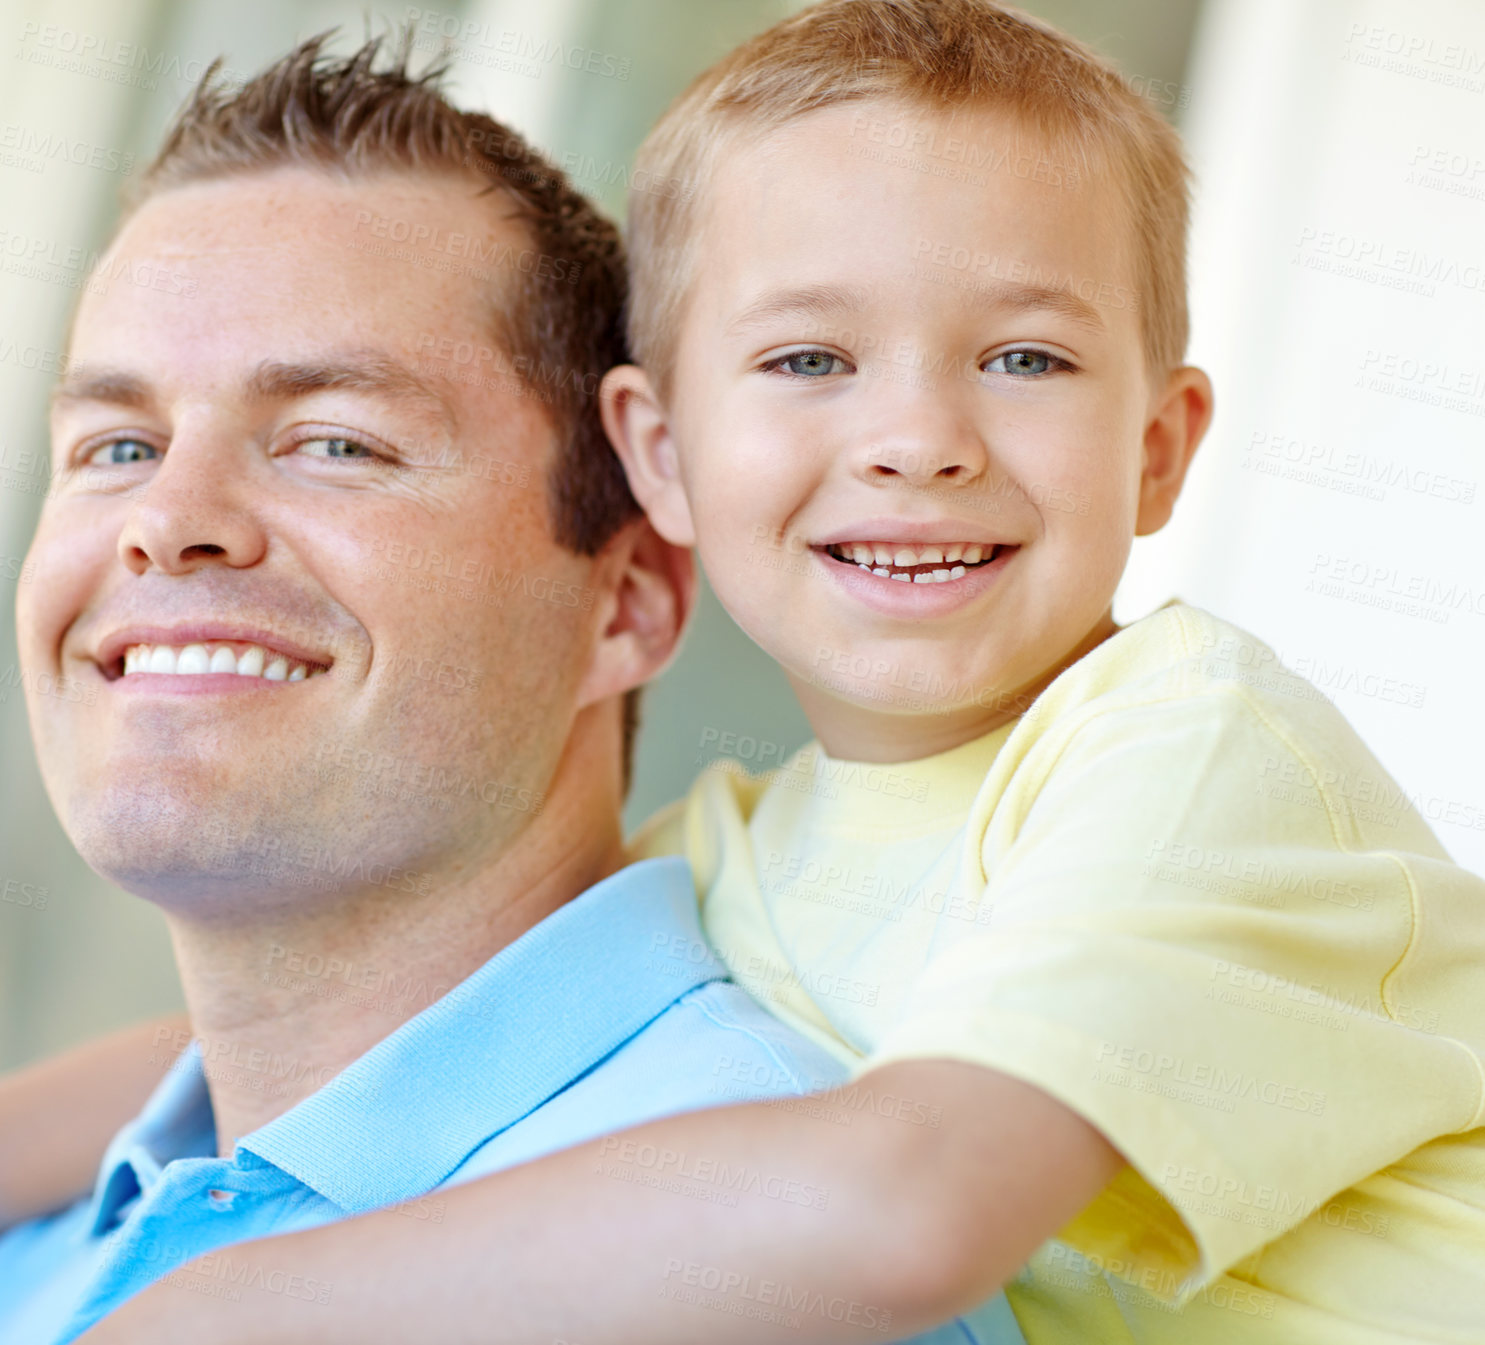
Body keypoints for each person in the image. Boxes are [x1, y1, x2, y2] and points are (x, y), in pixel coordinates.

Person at [13, 1, 1485, 1341]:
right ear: (666, 458)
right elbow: (257, 1045)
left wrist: (222, 1312)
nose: (918, 438)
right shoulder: (758, 854)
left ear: (1158, 447)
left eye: (1024, 358)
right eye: (806, 360)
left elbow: (903, 1206)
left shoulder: (1191, 758)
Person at [0, 32, 1020, 1345]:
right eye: (118, 444)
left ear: (626, 599)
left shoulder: (764, 1280)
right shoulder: (55, 1222)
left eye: (335, 441)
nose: (164, 520)